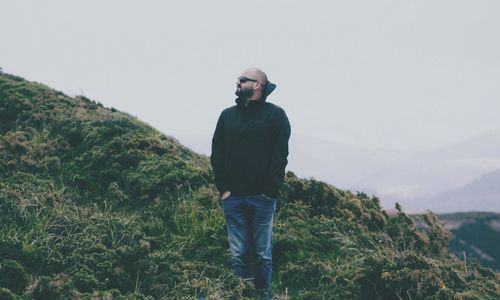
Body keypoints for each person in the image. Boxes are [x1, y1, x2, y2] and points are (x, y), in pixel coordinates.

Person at [210, 67, 291, 299]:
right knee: (239, 254)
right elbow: (217, 152)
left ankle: (263, 296)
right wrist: (224, 189)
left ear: (257, 85)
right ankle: (242, 295)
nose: (238, 81)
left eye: (242, 79)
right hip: (233, 198)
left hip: (262, 199)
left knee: (262, 254)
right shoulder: (227, 115)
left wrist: (270, 191)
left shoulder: (276, 116)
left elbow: (280, 157)